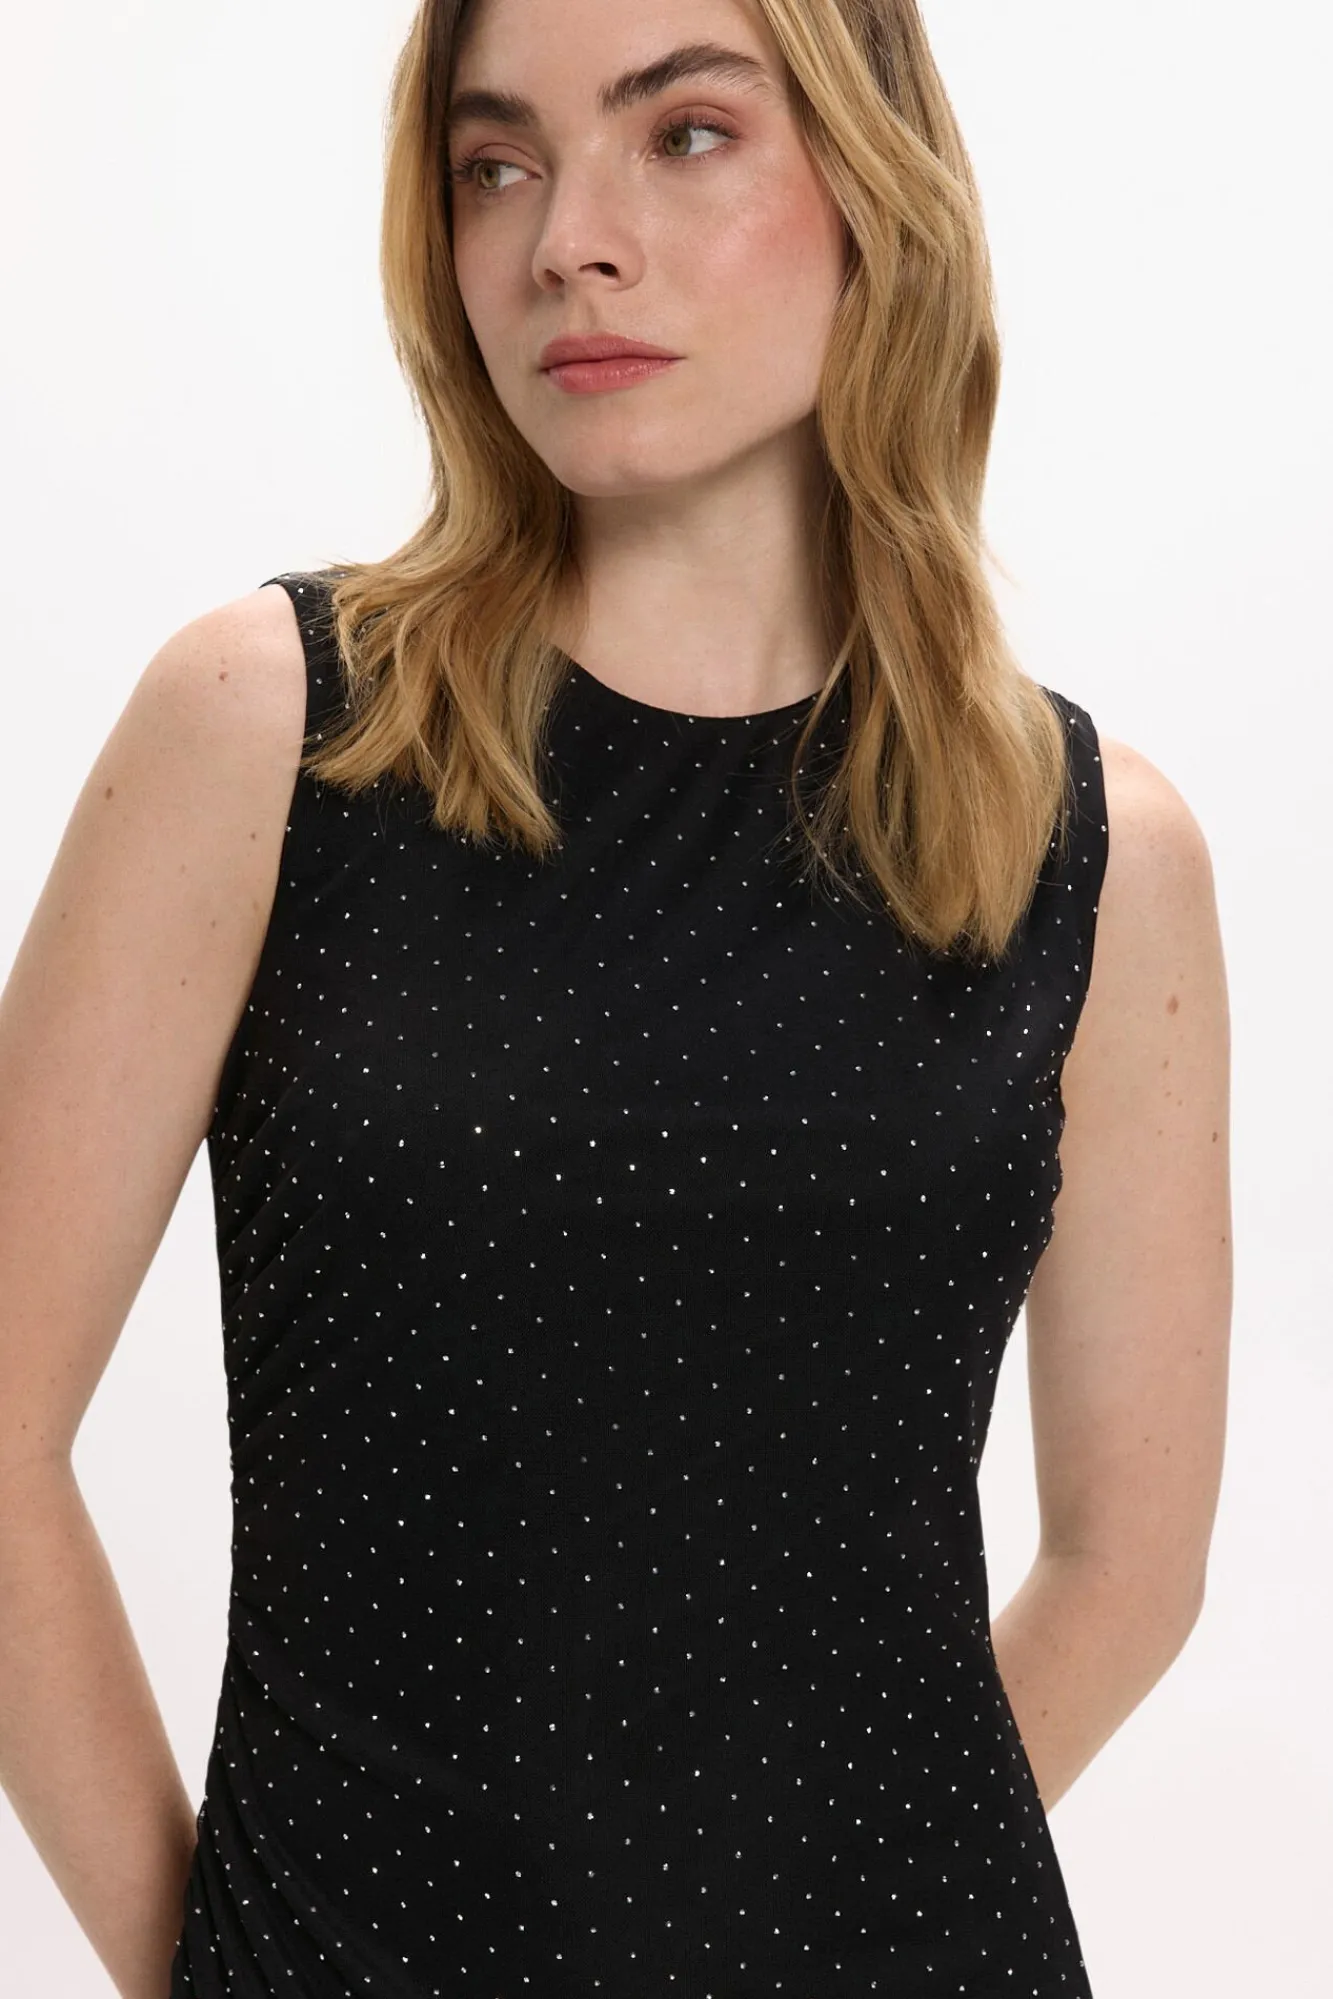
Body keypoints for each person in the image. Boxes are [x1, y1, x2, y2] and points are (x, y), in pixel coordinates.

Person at [0, 1, 1232, 1994]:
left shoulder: (1088, 848)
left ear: (878, 186)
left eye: (684, 135)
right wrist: (215, 1968)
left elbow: (1129, 1567)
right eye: (497, 163)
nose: (568, 239)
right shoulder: (279, 731)